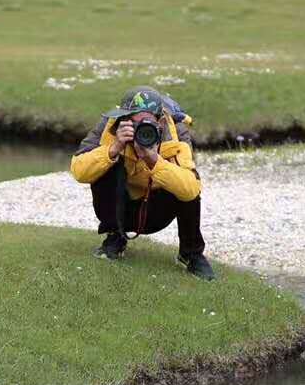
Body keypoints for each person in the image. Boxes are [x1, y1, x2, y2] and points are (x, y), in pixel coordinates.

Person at [70, 86, 214, 280]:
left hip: (159, 209)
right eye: (134, 122)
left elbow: (190, 190)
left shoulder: (177, 130)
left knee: (188, 183)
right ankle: (115, 237)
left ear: (160, 121)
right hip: (122, 208)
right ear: (123, 118)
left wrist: (154, 160)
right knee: (103, 168)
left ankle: (191, 253)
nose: (140, 129)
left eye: (147, 123)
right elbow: (79, 171)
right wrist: (113, 149)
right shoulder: (109, 126)